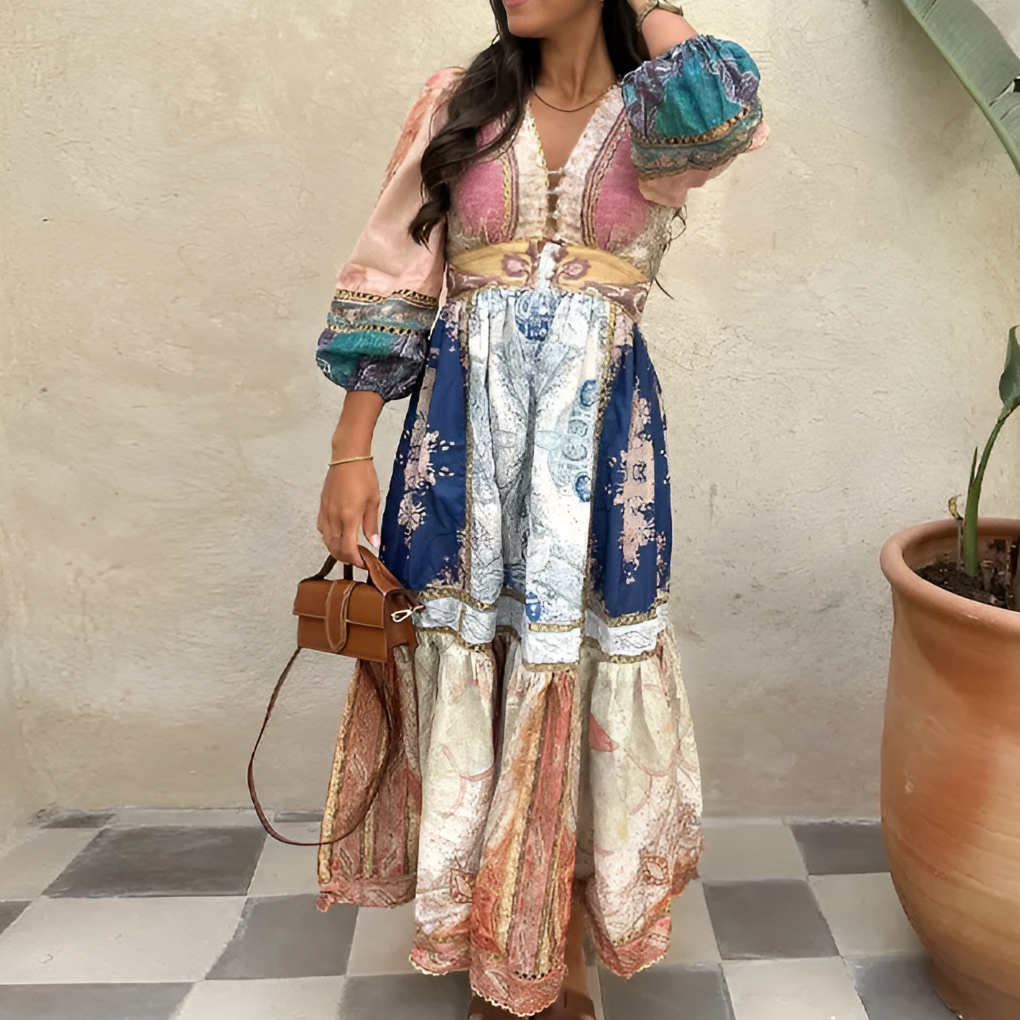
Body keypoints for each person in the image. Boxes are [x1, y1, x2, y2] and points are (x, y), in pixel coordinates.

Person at [313, 1, 767, 1017]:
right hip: (458, 439)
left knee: (576, 654)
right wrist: (350, 449)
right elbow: (395, 282)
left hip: (602, 444)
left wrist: (649, 8)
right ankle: (485, 925)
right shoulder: (457, 104)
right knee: (478, 649)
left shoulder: (664, 112)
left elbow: (724, 109)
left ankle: (554, 947)